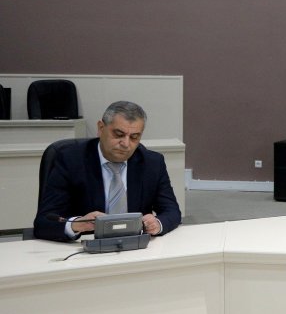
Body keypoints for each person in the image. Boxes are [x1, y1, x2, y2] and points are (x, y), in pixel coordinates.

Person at [33, 101, 182, 242]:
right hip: (85, 248)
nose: (126, 144)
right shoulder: (70, 160)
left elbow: (172, 211)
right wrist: (76, 224)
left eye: (134, 137)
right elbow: (44, 221)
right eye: (118, 134)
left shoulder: (152, 163)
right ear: (101, 128)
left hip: (136, 247)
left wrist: (157, 223)